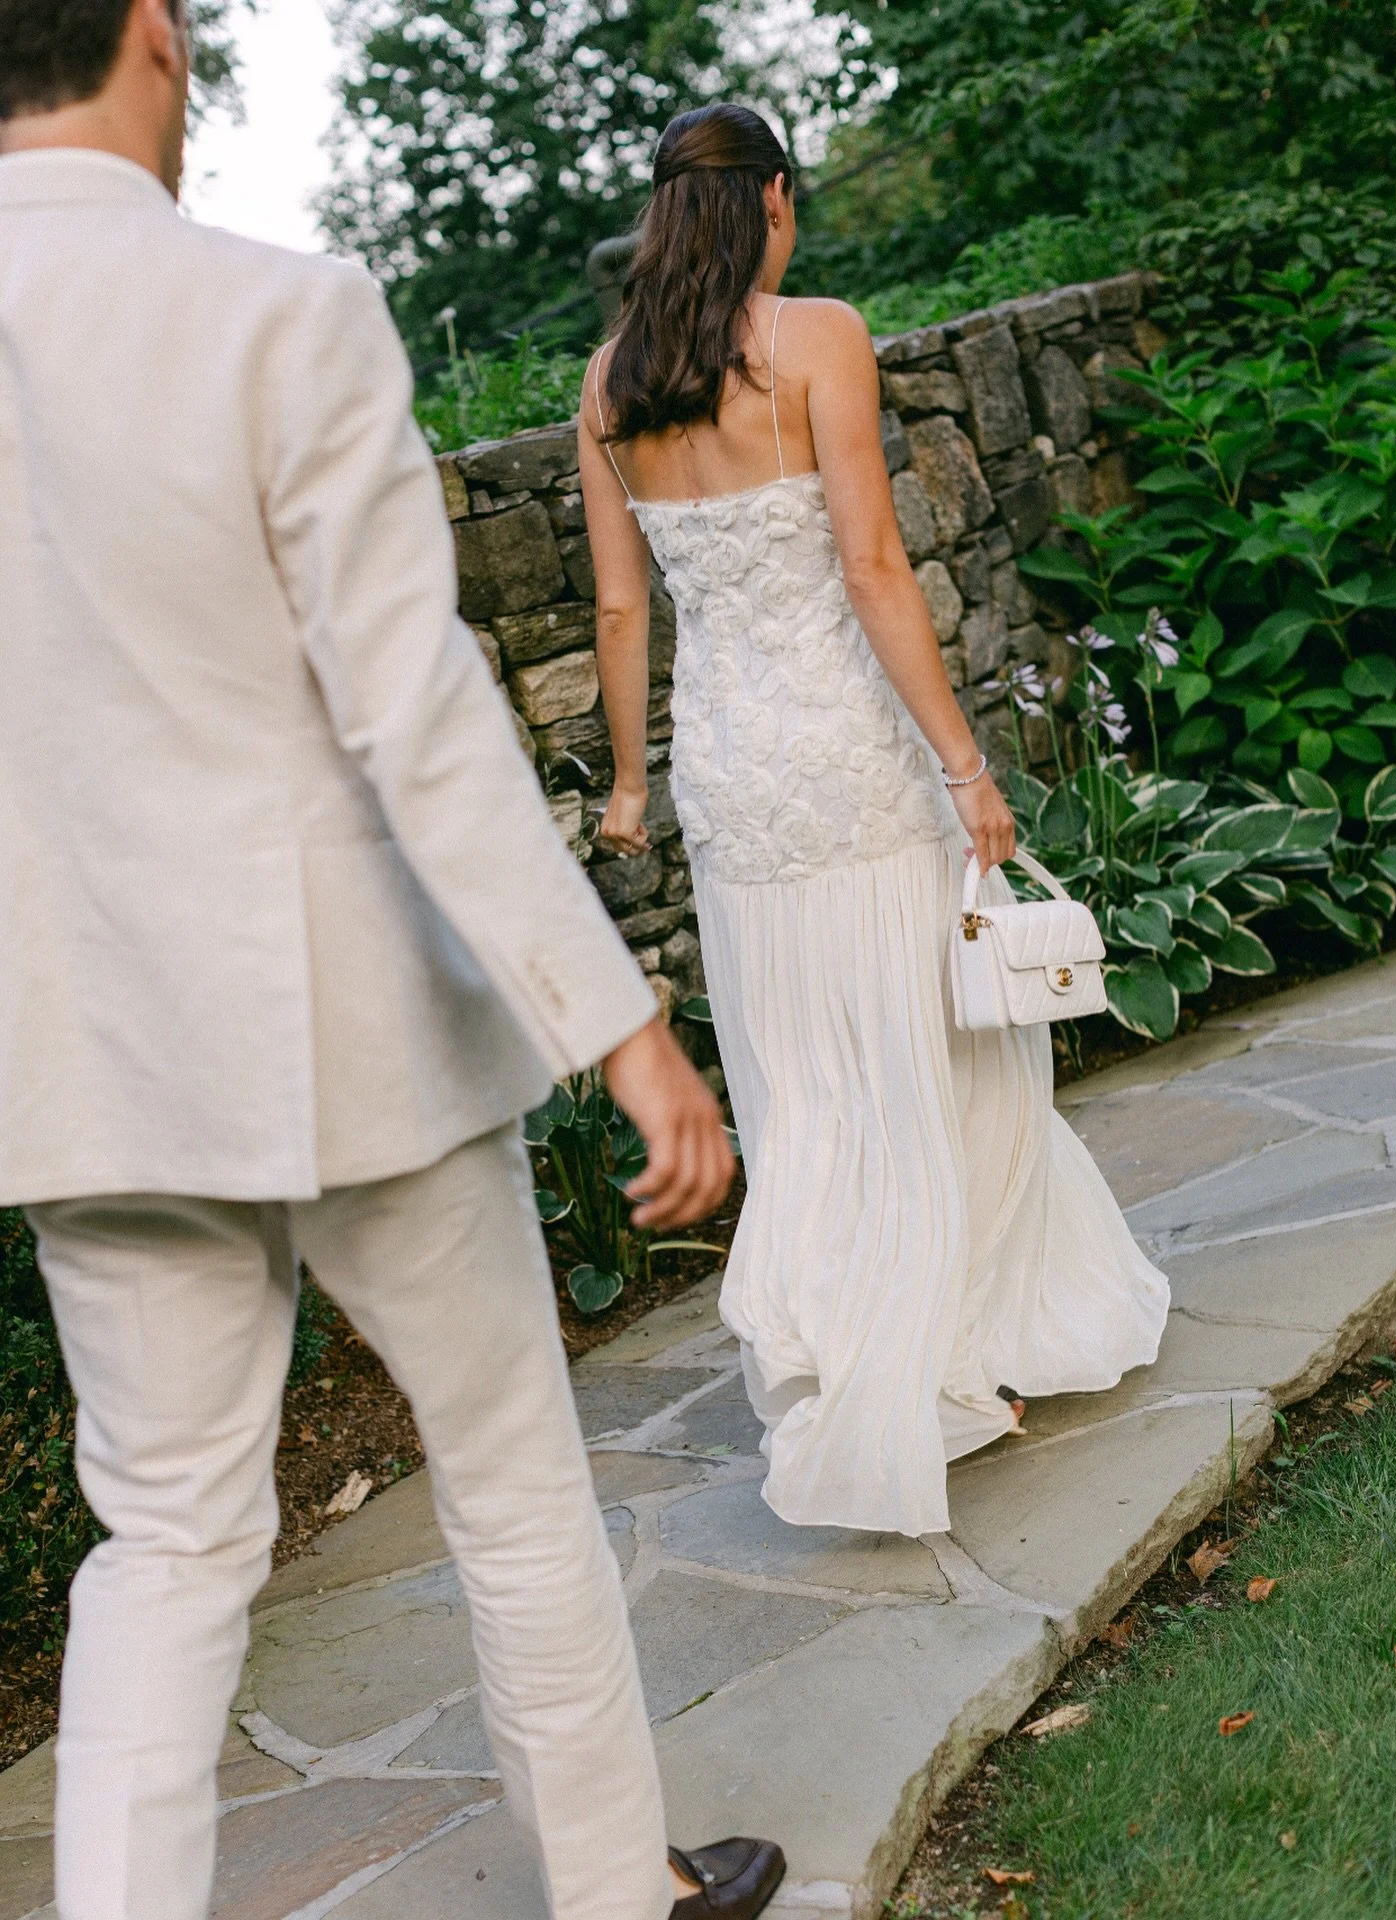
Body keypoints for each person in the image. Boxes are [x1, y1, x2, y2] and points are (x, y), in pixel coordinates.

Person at [0, 6, 785, 1918]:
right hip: (344, 1022)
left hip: (77, 1055)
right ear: (157, 44)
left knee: (166, 1547)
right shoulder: (280, 309)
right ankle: (620, 1897)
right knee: (508, 1471)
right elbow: (413, 710)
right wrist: (619, 1025)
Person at [581, 103, 1170, 1541]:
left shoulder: (611, 382)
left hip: (731, 771)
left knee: (804, 1076)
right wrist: (965, 764)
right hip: (849, 753)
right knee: (936, 1042)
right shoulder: (818, 336)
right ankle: (953, 1358)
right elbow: (871, 559)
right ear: (771, 200)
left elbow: (618, 606)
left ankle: (869, 1352)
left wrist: (631, 787)